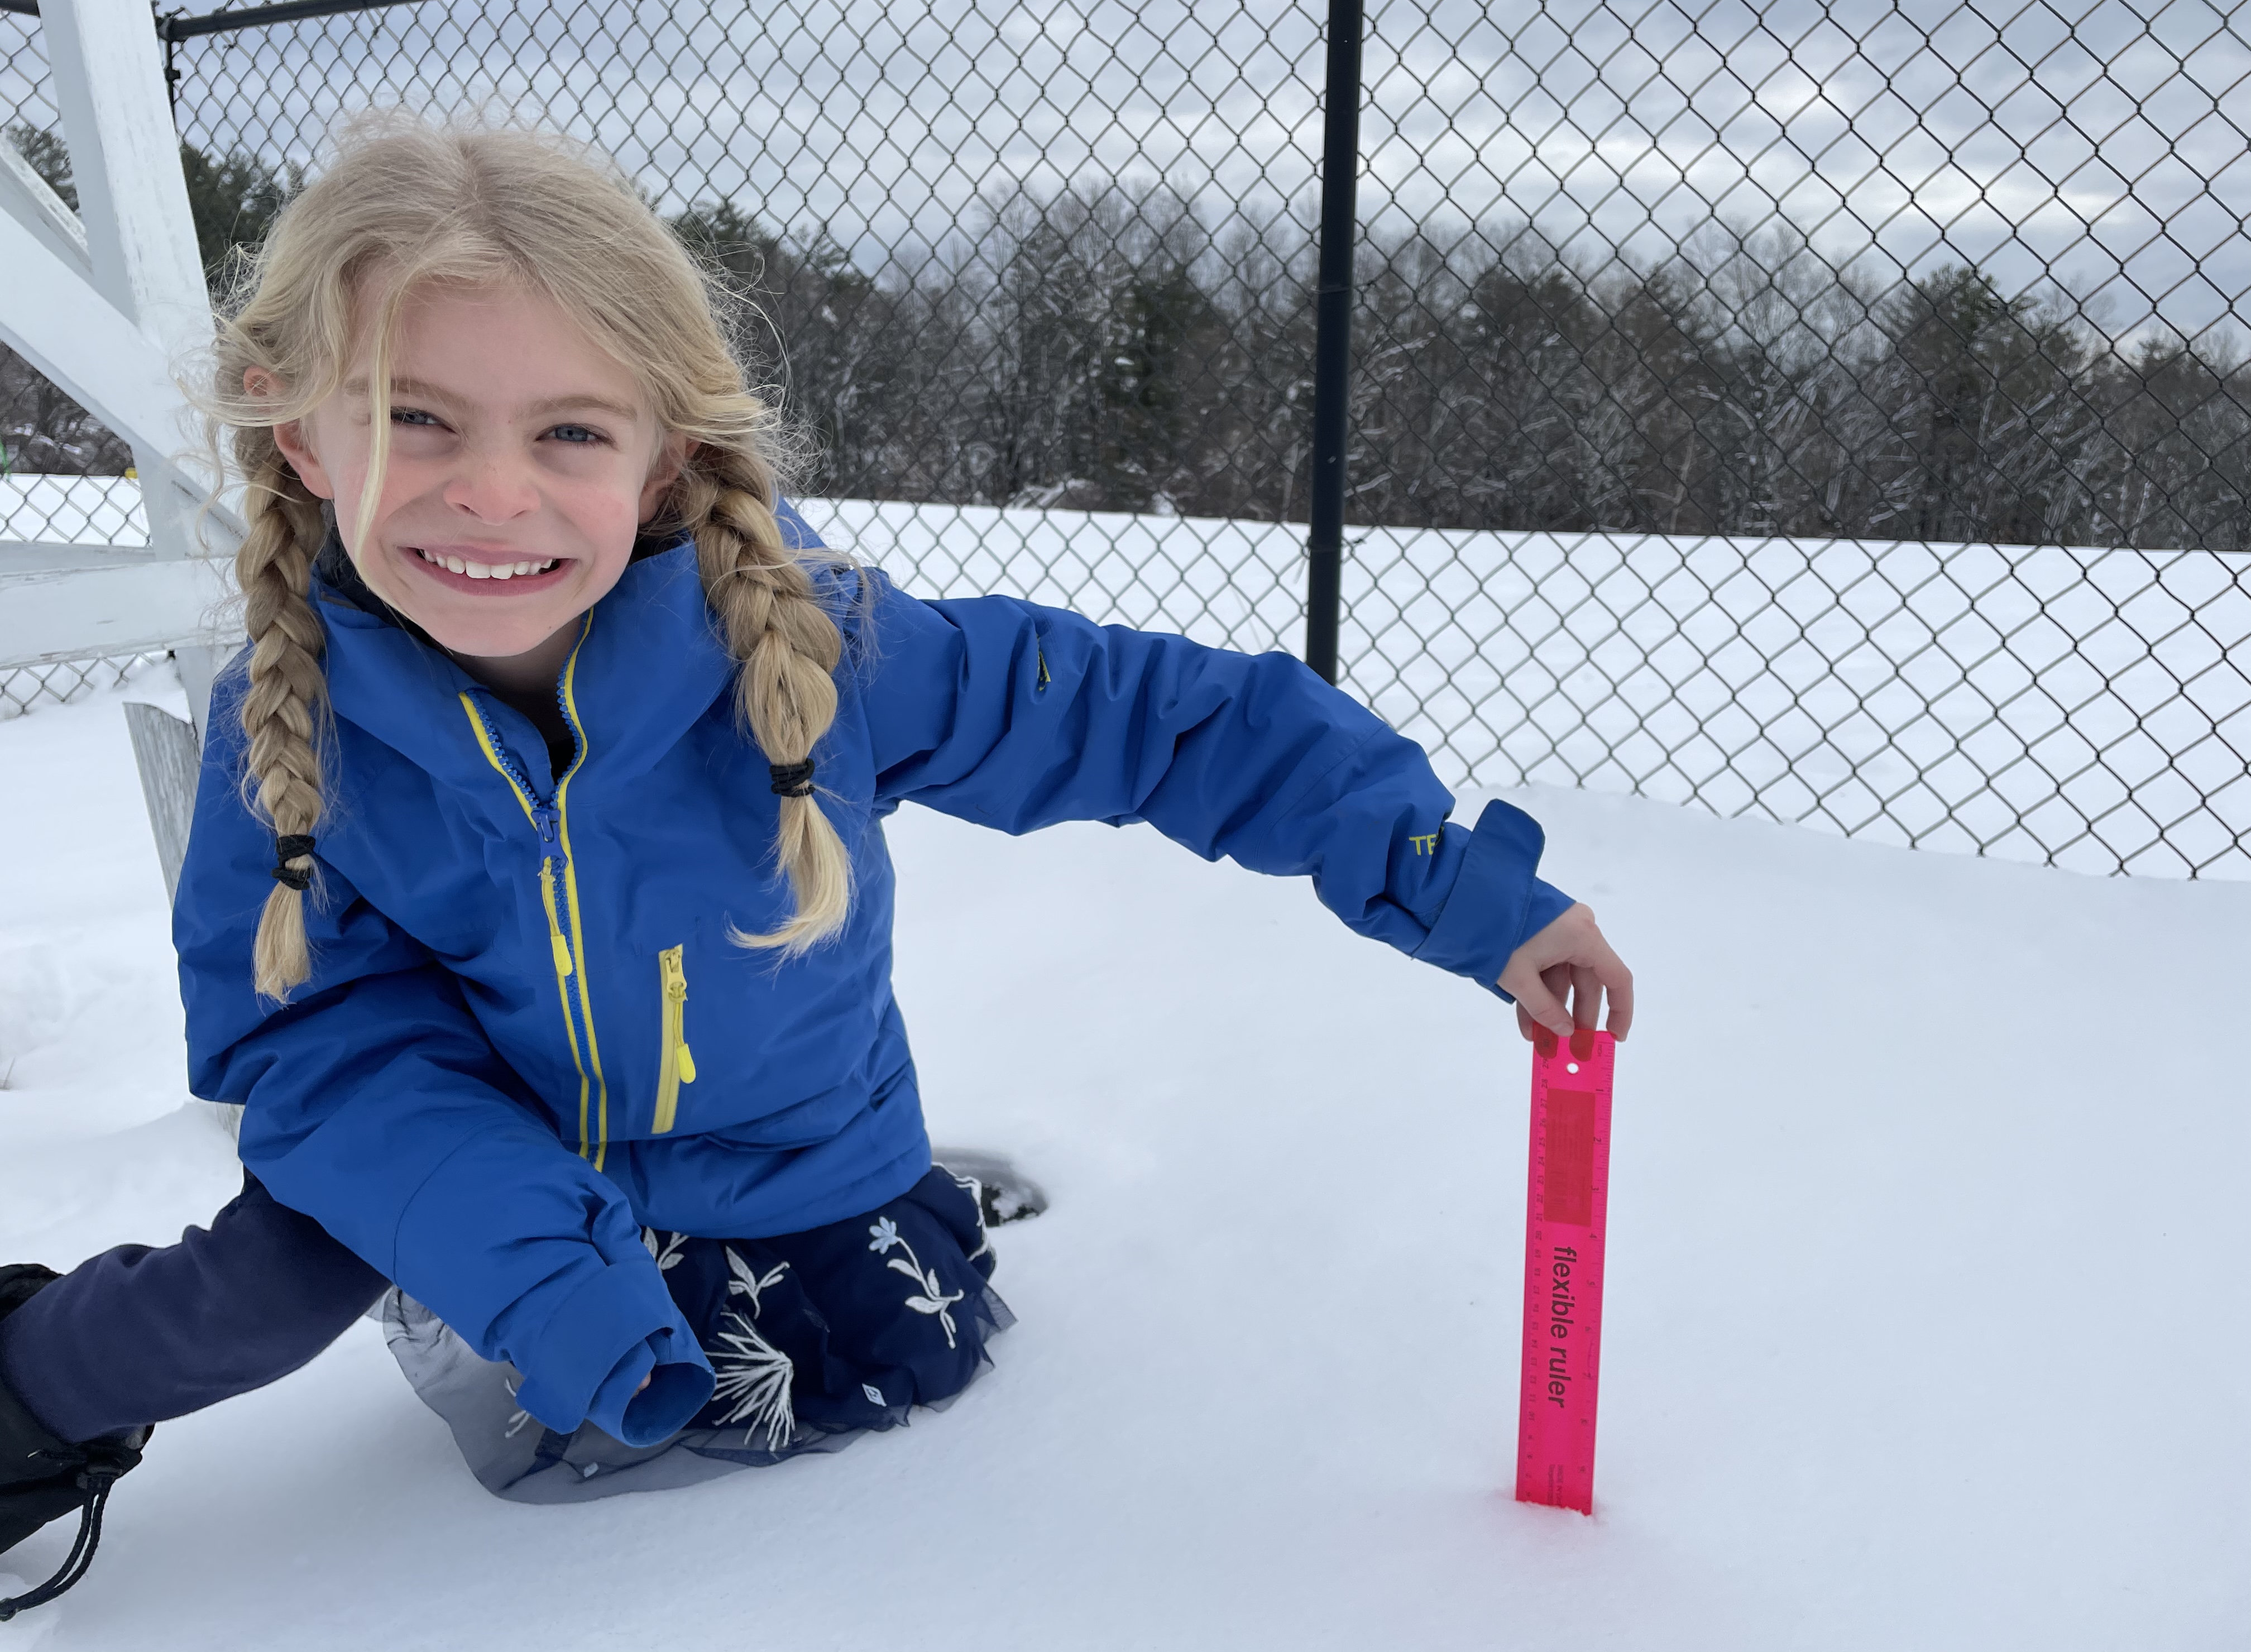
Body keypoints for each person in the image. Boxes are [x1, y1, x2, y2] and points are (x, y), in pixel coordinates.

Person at [0, 117, 1632, 1616]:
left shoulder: (817, 653)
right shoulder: (281, 738)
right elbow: (312, 1041)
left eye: (567, 429)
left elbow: (1168, 724)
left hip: (806, 1181)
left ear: (657, 460)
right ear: (299, 434)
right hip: (498, 1183)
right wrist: (528, 1252)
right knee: (264, 1284)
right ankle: (26, 1390)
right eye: (412, 417)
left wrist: (1472, 896)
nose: (491, 490)